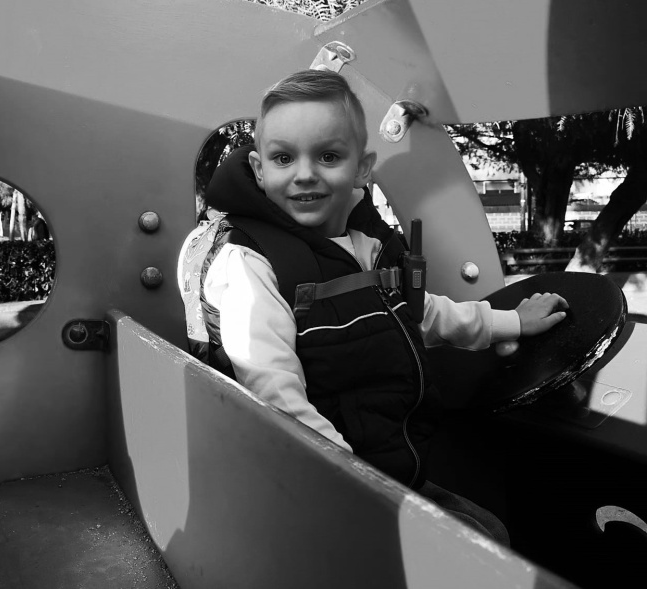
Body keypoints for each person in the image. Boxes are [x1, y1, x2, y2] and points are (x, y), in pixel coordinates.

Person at [197, 69, 569, 545]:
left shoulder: (366, 247)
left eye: (328, 156)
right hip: (326, 487)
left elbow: (423, 314)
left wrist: (511, 321)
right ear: (258, 168)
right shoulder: (250, 261)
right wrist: (352, 485)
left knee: (493, 529)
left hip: (390, 463)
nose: (305, 173)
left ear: (362, 167)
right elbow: (272, 388)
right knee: (485, 545)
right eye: (284, 158)